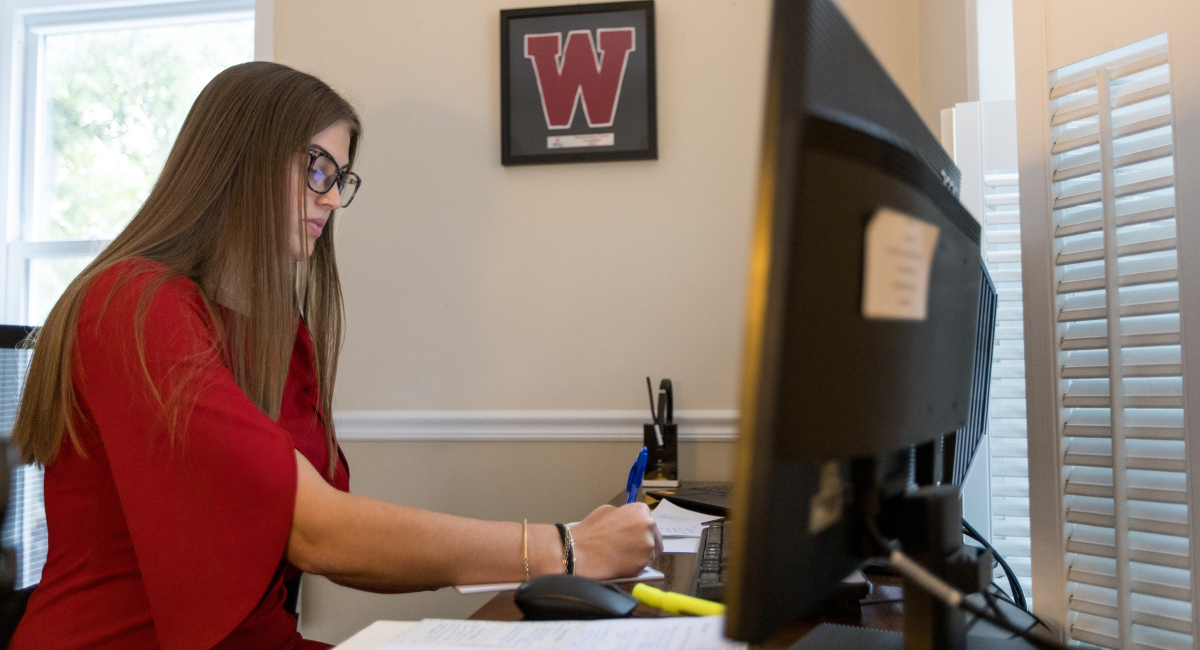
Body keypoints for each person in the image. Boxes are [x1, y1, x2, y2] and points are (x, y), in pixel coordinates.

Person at [8, 62, 661, 650]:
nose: (329, 197)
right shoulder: (132, 304)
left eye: (339, 177)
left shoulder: (275, 336)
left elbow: (327, 540)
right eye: (316, 167)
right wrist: (566, 549)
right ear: (242, 157)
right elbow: (317, 532)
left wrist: (564, 549)